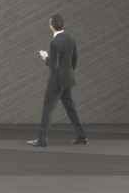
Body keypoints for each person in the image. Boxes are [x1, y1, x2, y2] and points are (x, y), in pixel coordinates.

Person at [28, 13, 88, 147]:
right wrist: (68, 72)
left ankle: (42, 140)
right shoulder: (71, 37)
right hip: (68, 79)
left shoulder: (55, 42)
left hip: (56, 82)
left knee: (47, 110)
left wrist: (45, 57)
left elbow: (53, 65)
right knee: (71, 108)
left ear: (51, 26)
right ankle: (82, 137)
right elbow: (75, 58)